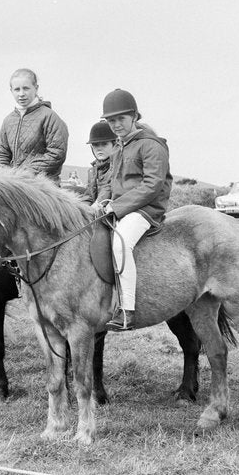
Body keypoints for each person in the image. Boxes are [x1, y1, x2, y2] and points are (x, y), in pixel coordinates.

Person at [93, 88, 172, 331]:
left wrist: (117, 207)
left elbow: (152, 185)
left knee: (120, 242)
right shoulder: (119, 147)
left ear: (134, 116)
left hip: (146, 209)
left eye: (121, 119)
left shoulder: (151, 145)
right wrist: (98, 202)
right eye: (111, 120)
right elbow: (109, 182)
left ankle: (127, 309)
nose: (116, 124)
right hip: (122, 208)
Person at [0, 69, 69, 182]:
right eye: (17, 89)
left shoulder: (49, 117)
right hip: (15, 185)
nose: (21, 94)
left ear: (36, 88)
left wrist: (24, 174)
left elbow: (56, 153)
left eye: (26, 88)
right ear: (11, 91)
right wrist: (6, 176)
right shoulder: (8, 121)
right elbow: (1, 154)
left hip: (44, 187)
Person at [80, 121, 116, 206]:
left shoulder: (117, 166)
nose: (99, 149)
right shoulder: (92, 171)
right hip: (96, 212)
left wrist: (95, 207)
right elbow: (89, 196)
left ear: (114, 144)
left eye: (104, 144)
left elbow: (110, 189)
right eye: (95, 145)